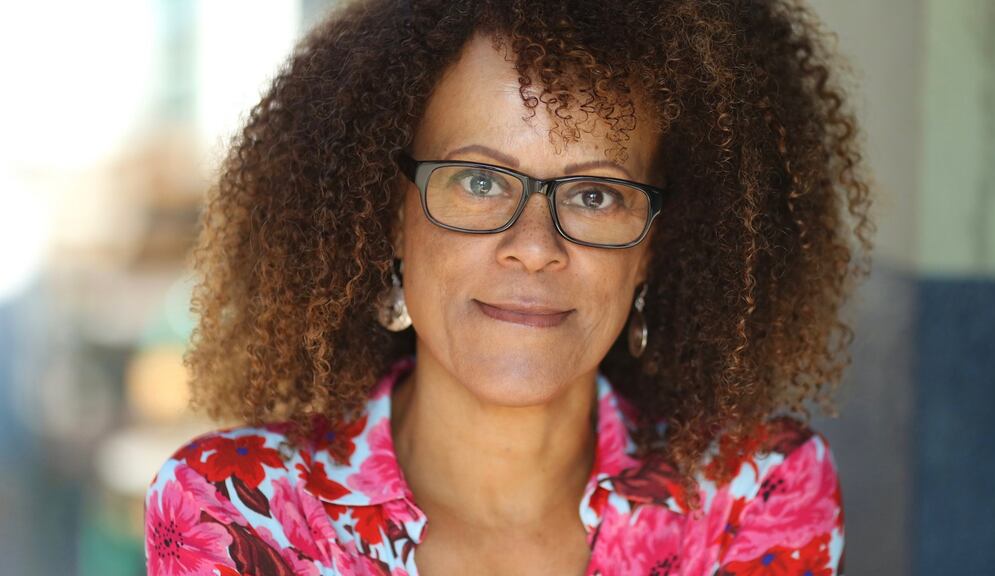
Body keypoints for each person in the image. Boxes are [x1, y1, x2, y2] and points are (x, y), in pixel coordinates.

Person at [144, 0, 873, 574]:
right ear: (391, 220)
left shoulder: (753, 494)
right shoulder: (242, 509)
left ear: (654, 247)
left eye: (595, 194)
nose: (534, 247)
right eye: (481, 180)